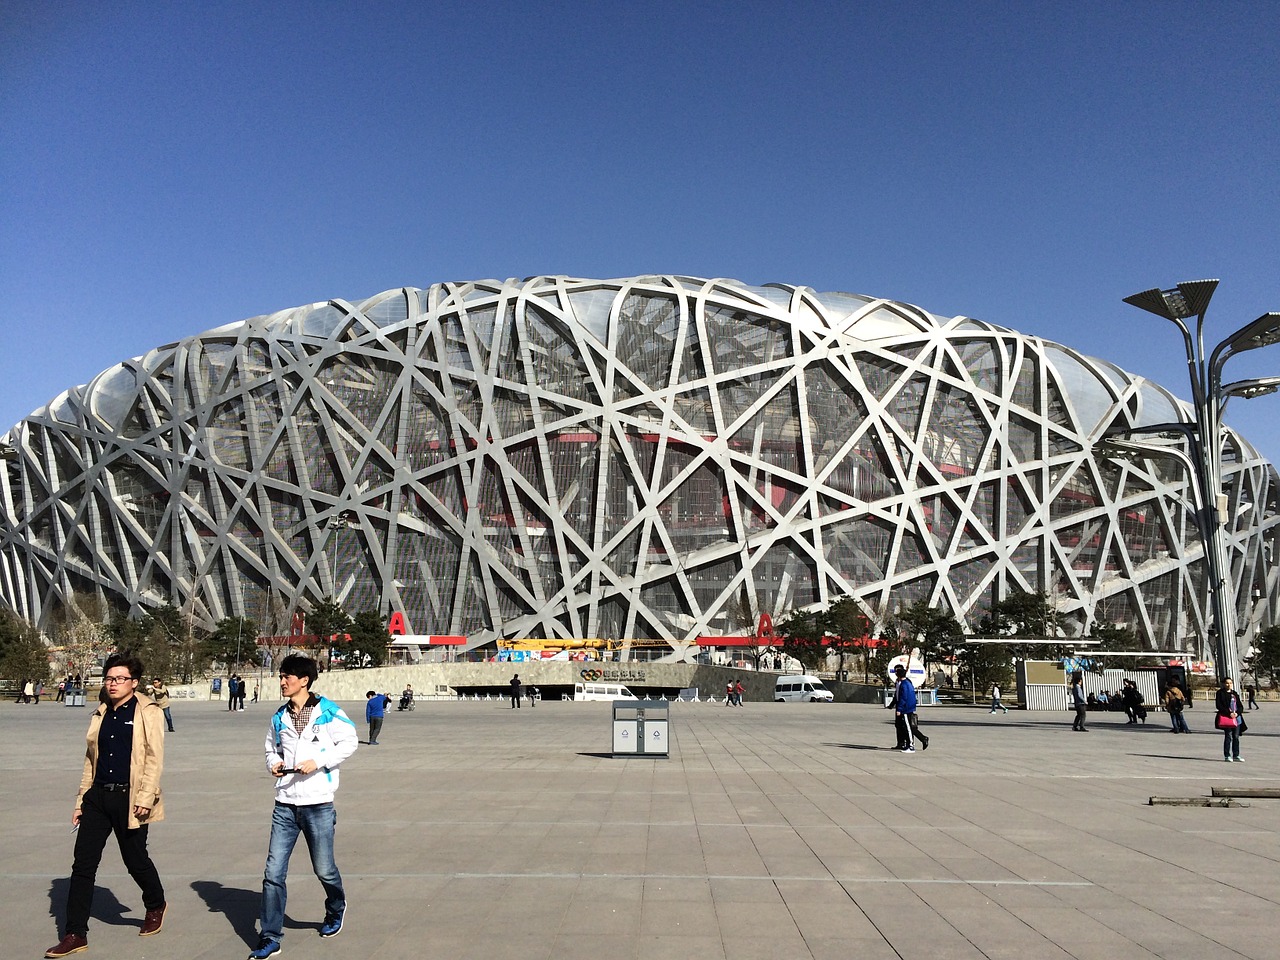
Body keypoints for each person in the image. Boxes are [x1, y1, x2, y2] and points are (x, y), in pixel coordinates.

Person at [45, 654, 167, 958]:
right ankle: (75, 933)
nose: (113, 684)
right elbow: (90, 761)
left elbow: (154, 758)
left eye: (120, 679)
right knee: (83, 865)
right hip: (97, 797)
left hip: (131, 798)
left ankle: (156, 903)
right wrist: (81, 800)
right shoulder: (100, 713)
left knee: (135, 860)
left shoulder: (147, 712)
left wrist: (144, 797)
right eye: (109, 679)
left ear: (134, 682)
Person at [248, 654, 358, 960]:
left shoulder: (328, 712)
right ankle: (270, 936)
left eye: (287, 677)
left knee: (324, 869)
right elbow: (271, 747)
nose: (282, 682)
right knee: (273, 873)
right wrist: (275, 762)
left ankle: (336, 907)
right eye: (281, 677)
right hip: (285, 804)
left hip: (318, 804)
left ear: (304, 680)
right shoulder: (278, 717)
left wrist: (319, 761)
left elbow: (350, 741)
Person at [892, 665, 928, 752]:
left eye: (897, 671)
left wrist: (900, 709)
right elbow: (897, 695)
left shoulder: (905, 683)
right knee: (901, 726)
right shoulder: (899, 682)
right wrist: (892, 704)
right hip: (902, 706)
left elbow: (903, 697)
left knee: (908, 727)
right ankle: (902, 743)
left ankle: (912, 744)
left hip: (905, 707)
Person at [1216, 677, 1246, 762]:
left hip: (1236, 718)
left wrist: (1237, 713)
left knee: (1236, 737)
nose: (1229, 685)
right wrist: (1229, 713)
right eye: (1227, 683)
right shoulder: (1220, 693)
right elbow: (1219, 706)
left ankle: (1236, 755)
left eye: (1230, 683)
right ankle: (1227, 755)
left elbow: (1240, 706)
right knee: (1228, 736)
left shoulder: (1234, 694)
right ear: (1224, 684)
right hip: (1227, 718)